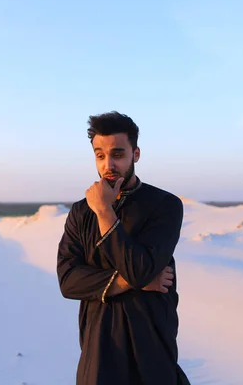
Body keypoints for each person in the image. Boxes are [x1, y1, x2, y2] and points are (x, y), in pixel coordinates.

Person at [56, 111, 190, 385]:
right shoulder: (81, 212)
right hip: (98, 347)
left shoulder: (164, 206)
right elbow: (68, 282)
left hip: (150, 347)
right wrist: (129, 280)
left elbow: (140, 270)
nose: (108, 164)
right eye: (100, 155)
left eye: (117, 154)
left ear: (136, 154)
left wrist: (104, 211)